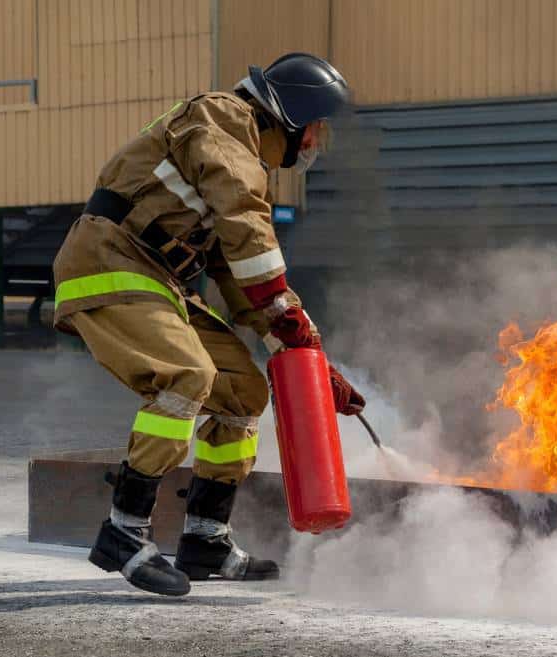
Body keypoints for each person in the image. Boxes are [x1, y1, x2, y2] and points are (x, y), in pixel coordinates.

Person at [52, 53, 365, 596]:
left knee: (242, 393)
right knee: (185, 375)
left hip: (156, 276)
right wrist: (290, 319)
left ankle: (205, 539)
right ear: (289, 118)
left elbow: (235, 271)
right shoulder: (224, 121)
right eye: (315, 128)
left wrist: (302, 354)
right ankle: (124, 531)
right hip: (108, 262)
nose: (315, 142)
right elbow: (246, 228)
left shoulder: (245, 163)